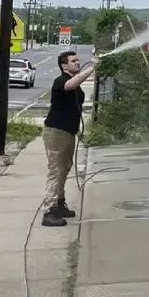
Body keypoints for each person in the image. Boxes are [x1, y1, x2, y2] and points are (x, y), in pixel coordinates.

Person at [41, 50, 97, 227]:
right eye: (73, 61)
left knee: (64, 168)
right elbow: (72, 84)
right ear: (64, 65)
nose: (77, 63)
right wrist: (92, 68)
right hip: (56, 131)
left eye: (78, 60)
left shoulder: (73, 83)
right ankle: (48, 211)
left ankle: (59, 203)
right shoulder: (61, 81)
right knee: (56, 169)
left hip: (67, 132)